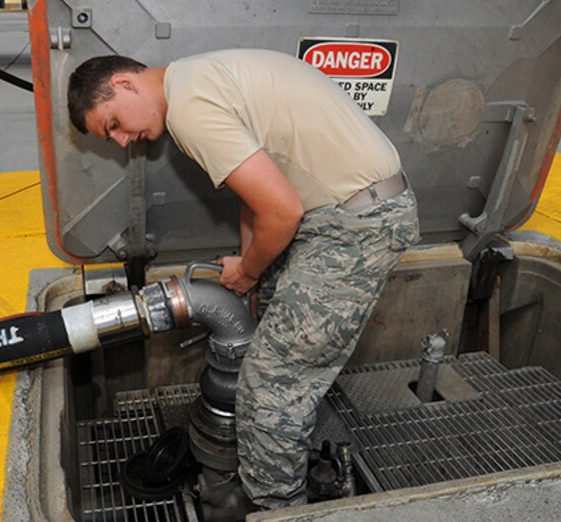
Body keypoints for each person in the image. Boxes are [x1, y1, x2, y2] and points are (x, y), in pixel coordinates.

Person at [67, 49, 420, 509]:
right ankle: (285, 440)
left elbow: (281, 210)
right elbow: (255, 195)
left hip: (354, 226)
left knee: (269, 385)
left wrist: (249, 268)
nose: (120, 142)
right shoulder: (196, 79)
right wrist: (249, 270)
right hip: (343, 213)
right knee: (274, 333)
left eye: (112, 124)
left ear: (125, 84)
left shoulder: (190, 110)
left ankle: (277, 508)